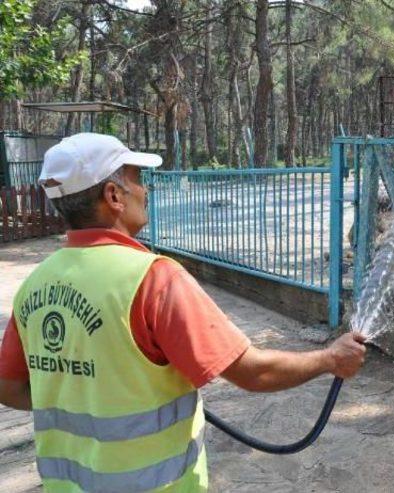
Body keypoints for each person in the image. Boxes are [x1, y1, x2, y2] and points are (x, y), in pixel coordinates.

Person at [0, 133, 366, 492]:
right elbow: (253, 373)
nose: (146, 190)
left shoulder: (35, 284)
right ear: (113, 196)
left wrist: (79, 394)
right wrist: (331, 359)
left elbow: (9, 388)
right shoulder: (152, 279)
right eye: (137, 180)